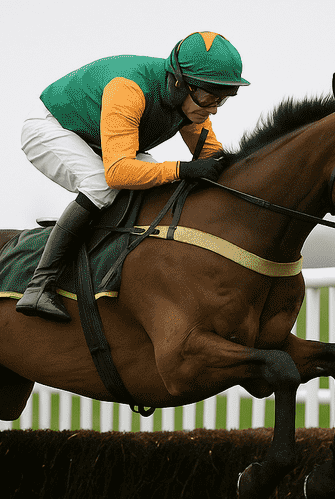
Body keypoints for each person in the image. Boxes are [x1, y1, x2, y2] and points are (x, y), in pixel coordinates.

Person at [16, 31, 249, 321]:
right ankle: (39, 285)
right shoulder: (129, 89)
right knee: (101, 184)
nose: (213, 109)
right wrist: (181, 169)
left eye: (221, 100)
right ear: (179, 82)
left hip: (100, 138)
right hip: (52, 126)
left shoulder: (188, 103)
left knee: (154, 184)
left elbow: (211, 157)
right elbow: (117, 173)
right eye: (208, 97)